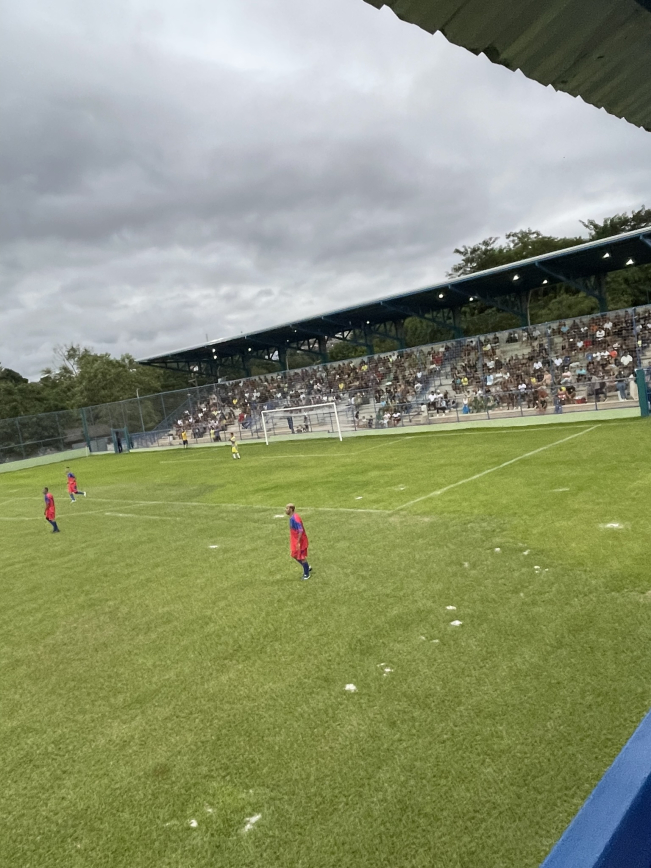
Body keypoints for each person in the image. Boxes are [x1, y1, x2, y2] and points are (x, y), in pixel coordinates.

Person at [285, 503, 311, 580]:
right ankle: (306, 566)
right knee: (294, 555)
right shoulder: (292, 518)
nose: (285, 510)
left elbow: (300, 530)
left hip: (300, 541)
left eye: (287, 508)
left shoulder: (295, 519)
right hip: (295, 540)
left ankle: (306, 574)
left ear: (291, 509)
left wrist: (298, 542)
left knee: (301, 557)